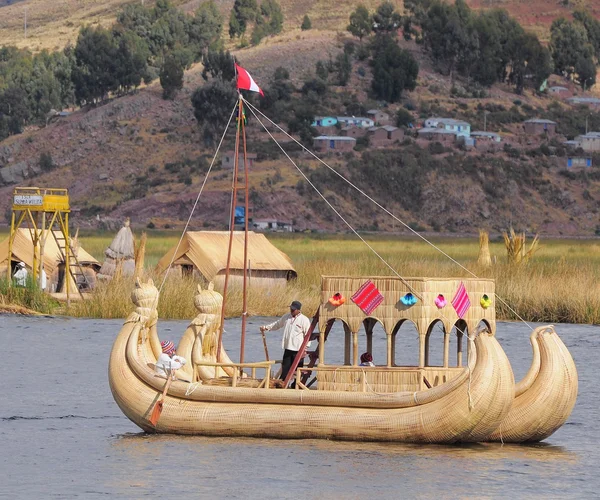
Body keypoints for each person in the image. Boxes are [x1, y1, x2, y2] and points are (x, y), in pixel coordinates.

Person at [260, 300, 311, 384]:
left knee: (298, 369)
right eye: (291, 309)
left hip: (299, 349)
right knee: (285, 367)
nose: (291, 311)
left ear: (298, 310)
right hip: (288, 347)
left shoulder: (304, 320)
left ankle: (296, 385)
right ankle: (282, 383)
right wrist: (266, 327)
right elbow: (277, 324)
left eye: (293, 309)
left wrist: (305, 348)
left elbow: (308, 335)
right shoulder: (286, 317)